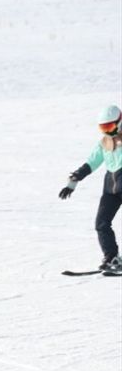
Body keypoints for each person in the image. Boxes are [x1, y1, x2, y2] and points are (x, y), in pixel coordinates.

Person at [57, 105, 122, 273]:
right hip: (111, 187)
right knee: (101, 223)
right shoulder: (104, 143)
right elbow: (92, 162)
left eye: (109, 127)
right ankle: (111, 257)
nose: (107, 131)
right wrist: (73, 181)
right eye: (103, 128)